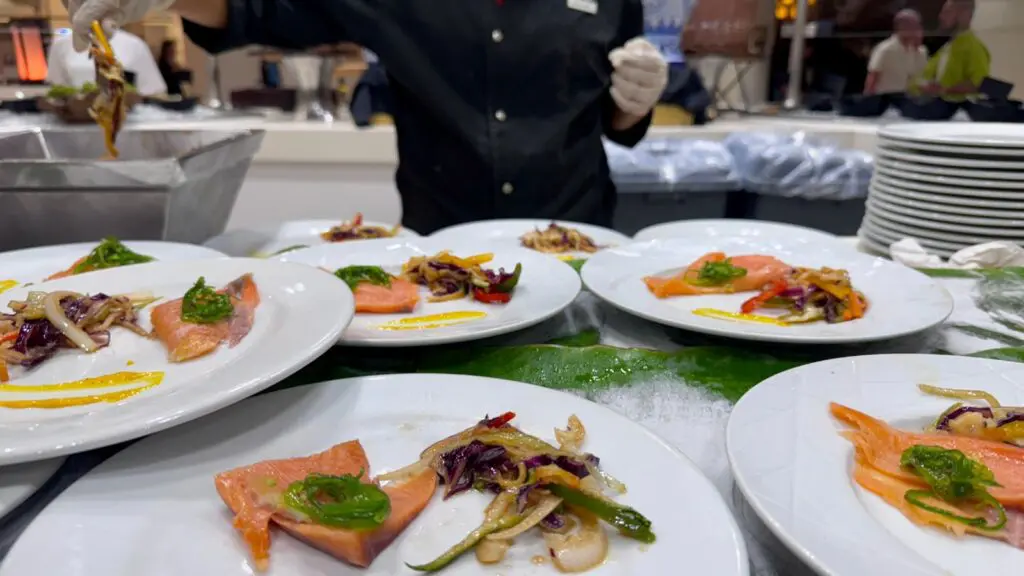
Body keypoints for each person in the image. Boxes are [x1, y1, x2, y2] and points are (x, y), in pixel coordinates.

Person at [62, 0, 667, 234]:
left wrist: (633, 101)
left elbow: (617, 117)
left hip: (578, 238)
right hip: (443, 257)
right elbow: (254, 12)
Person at [46, 27, 166, 95]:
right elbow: (57, 88)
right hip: (77, 123)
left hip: (124, 122)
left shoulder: (133, 44)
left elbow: (152, 90)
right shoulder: (62, 44)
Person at [917, 0, 990, 100]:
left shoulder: (974, 48)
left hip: (960, 112)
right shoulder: (946, 48)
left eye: (947, 12)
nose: (941, 16)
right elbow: (925, 75)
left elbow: (979, 83)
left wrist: (945, 90)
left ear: (965, 15)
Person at [864, 9, 927, 95]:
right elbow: (872, 78)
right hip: (887, 101)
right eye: (912, 26)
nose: (916, 30)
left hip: (909, 102)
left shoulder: (920, 51)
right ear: (901, 27)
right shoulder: (885, 49)